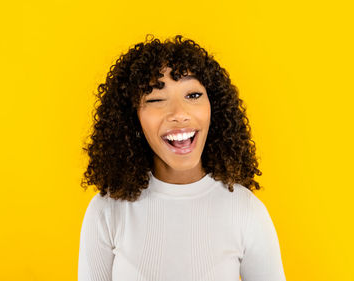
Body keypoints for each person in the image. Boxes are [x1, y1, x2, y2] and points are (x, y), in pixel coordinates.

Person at [78, 34, 286, 281]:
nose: (179, 114)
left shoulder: (245, 210)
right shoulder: (106, 210)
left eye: (193, 95)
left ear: (214, 108)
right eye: (156, 99)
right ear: (132, 119)